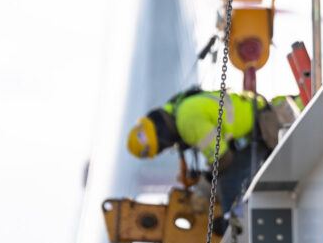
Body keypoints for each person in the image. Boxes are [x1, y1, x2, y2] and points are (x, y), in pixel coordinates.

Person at [127, 87, 301, 224]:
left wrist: (204, 189)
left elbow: (223, 160)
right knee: (229, 181)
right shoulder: (181, 107)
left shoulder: (187, 122)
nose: (168, 147)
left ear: (161, 137)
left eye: (162, 147)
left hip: (263, 127)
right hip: (257, 124)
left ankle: (236, 231)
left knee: (230, 190)